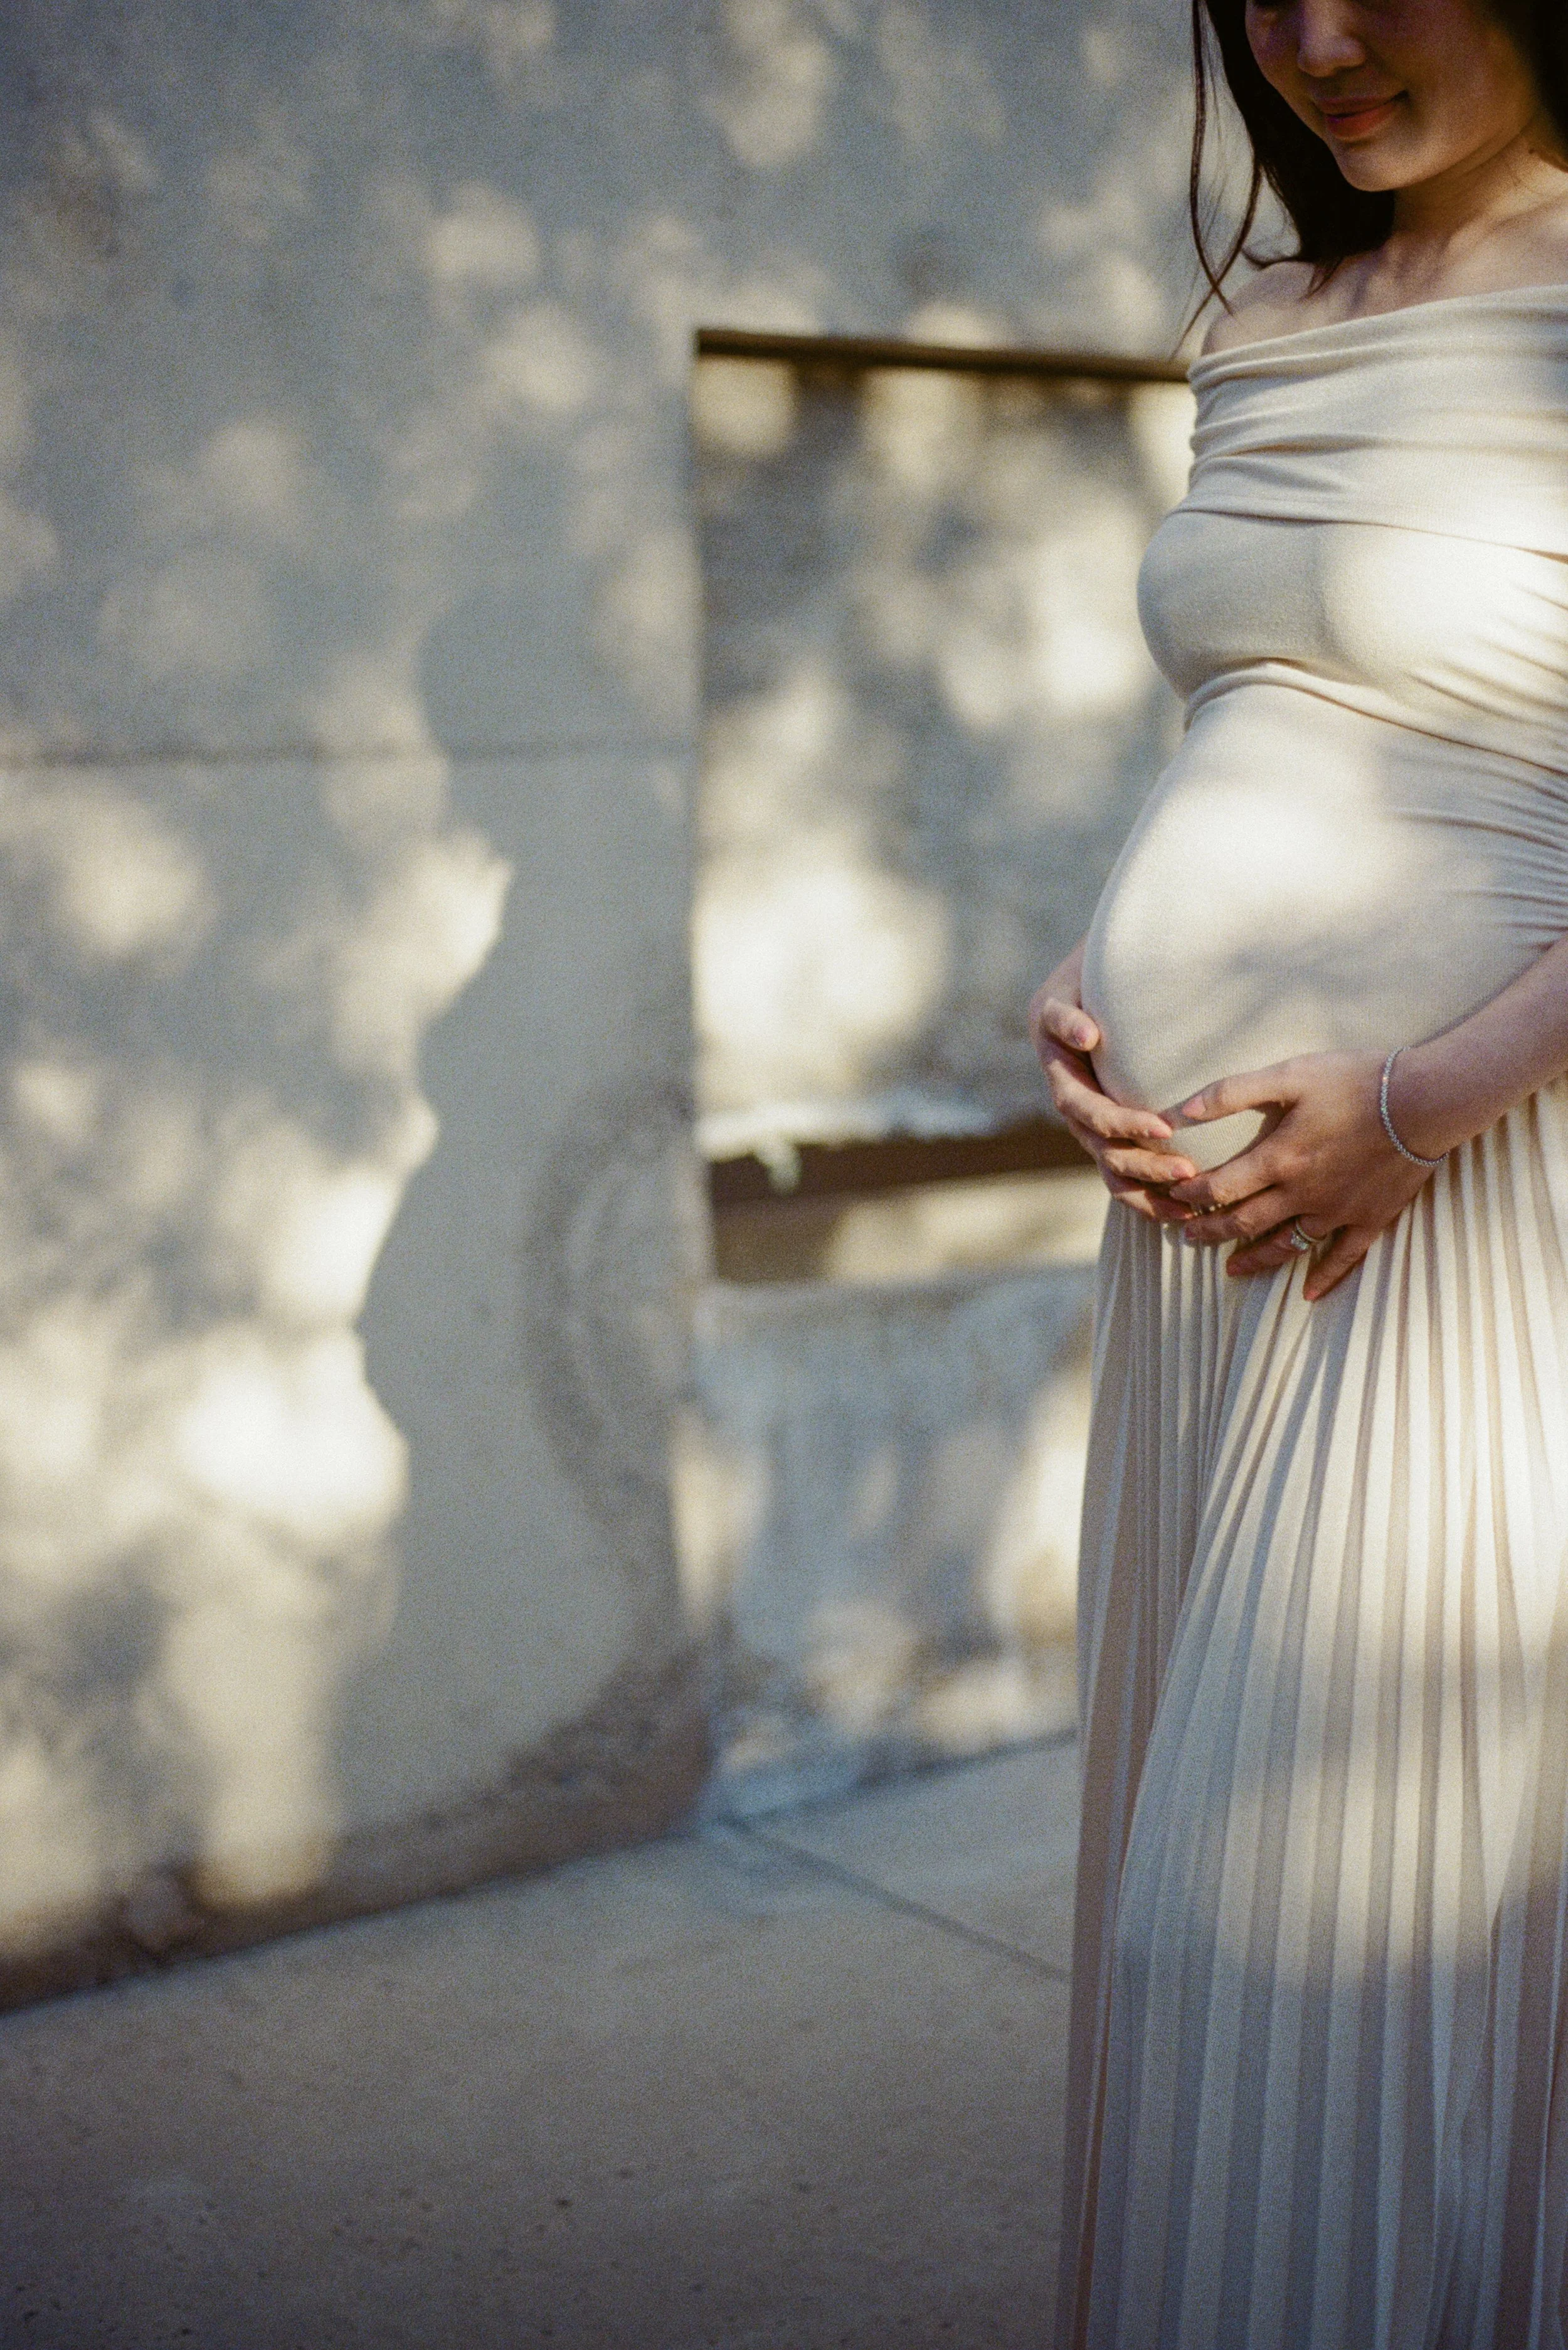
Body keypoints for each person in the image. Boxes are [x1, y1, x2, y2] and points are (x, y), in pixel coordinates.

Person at [1029, 1, 1568, 2341]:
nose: (1318, 37)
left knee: (1288, 1918)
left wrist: (1421, 1101)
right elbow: (1254, 707)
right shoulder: (1258, 320)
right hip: (1215, 1243)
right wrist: (1096, 962)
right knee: (1206, 1941)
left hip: (1457, 1210)